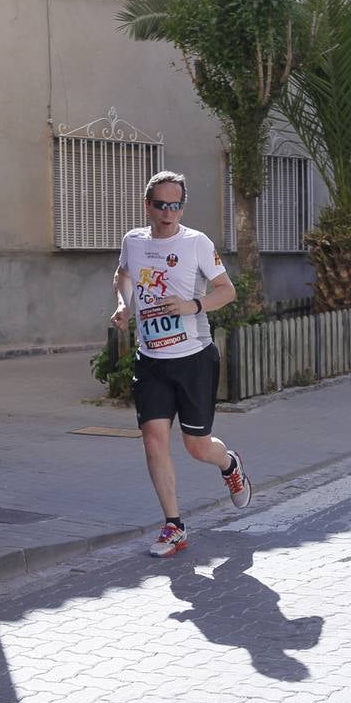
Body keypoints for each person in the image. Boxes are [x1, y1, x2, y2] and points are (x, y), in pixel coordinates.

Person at [110, 171, 252, 558]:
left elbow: (227, 291)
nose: (169, 212)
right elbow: (122, 276)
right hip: (151, 359)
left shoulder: (196, 243)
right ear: (147, 206)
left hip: (193, 359)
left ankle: (230, 464)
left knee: (197, 446)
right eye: (161, 205)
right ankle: (174, 525)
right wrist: (124, 305)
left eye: (176, 205)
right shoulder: (134, 242)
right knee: (154, 440)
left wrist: (192, 305)